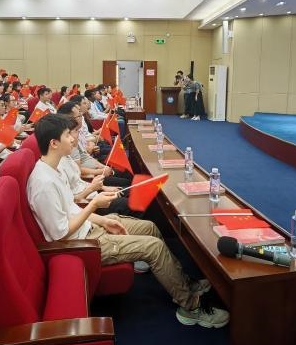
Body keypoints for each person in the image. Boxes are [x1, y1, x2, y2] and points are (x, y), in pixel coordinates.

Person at [27, 115, 229, 328]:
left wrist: (103, 221)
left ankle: (185, 283)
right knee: (154, 247)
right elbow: (61, 233)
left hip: (91, 227)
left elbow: (71, 209)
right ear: (54, 143)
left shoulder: (55, 169)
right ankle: (191, 307)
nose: (73, 139)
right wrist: (94, 205)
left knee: (150, 227)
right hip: (82, 243)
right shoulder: (43, 184)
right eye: (68, 135)